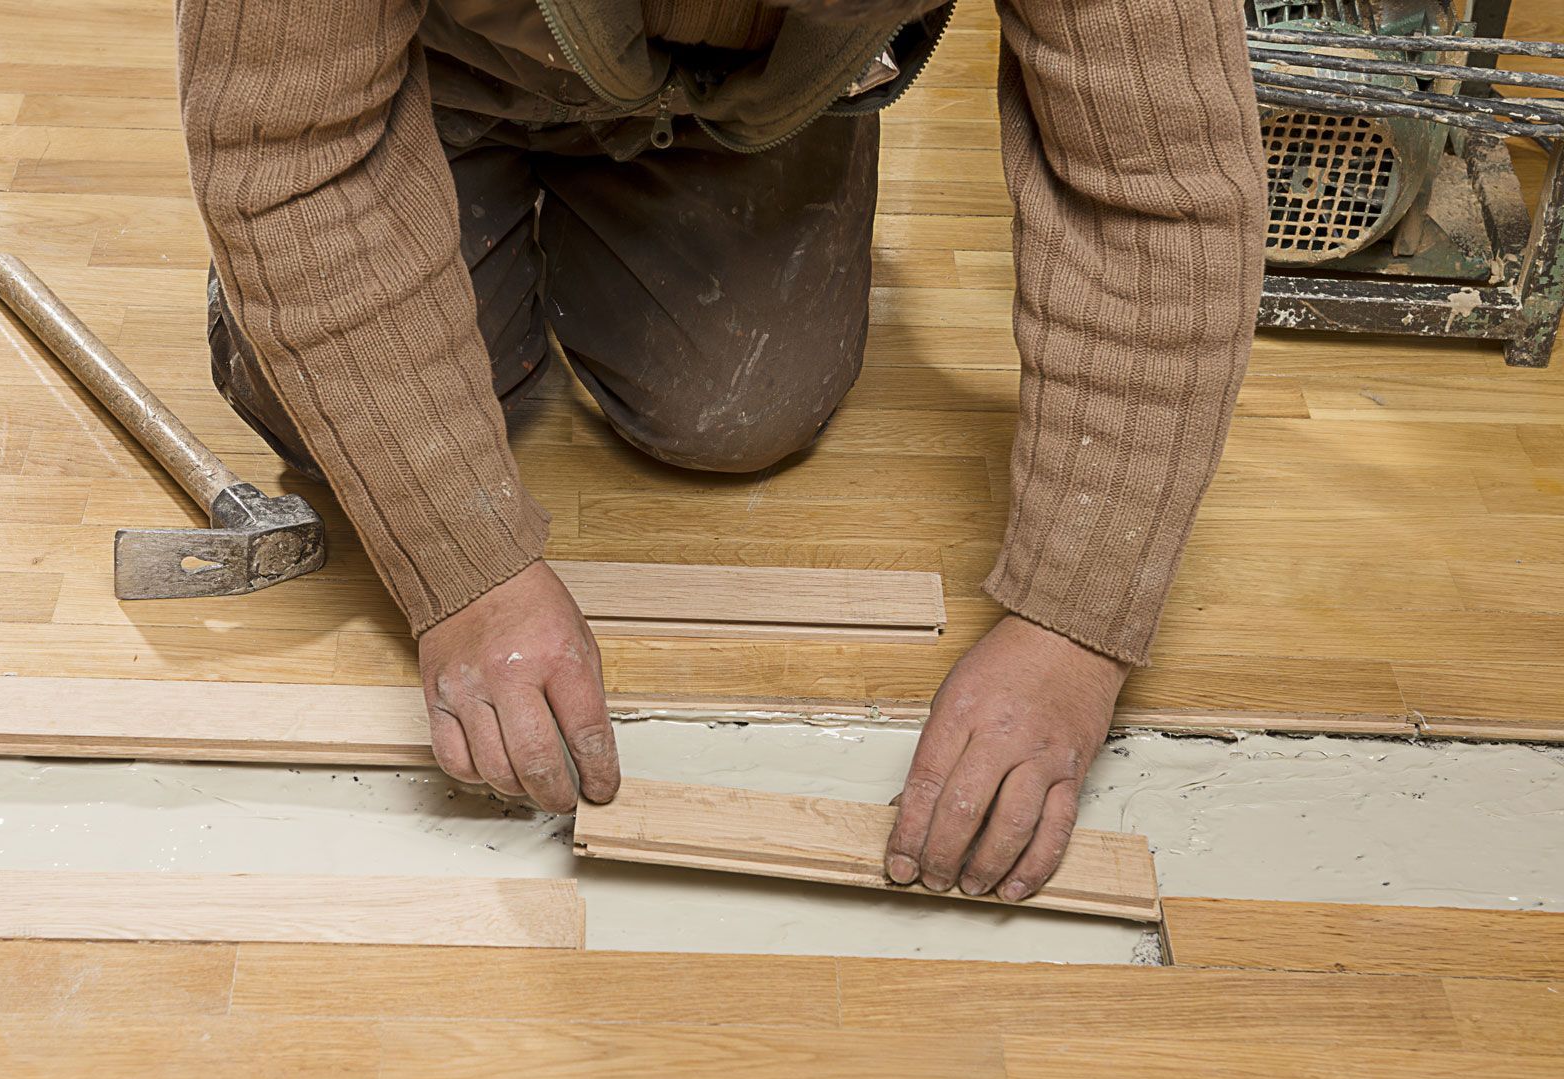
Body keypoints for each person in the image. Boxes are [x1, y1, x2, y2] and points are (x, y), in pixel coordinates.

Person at [177, 0, 1266, 902]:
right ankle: (432, 162)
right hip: (430, 67)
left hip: (740, 97)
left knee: (742, 410)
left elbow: (1157, 192)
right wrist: (465, 575)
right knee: (316, 399)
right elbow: (295, 151)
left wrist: (1072, 629)